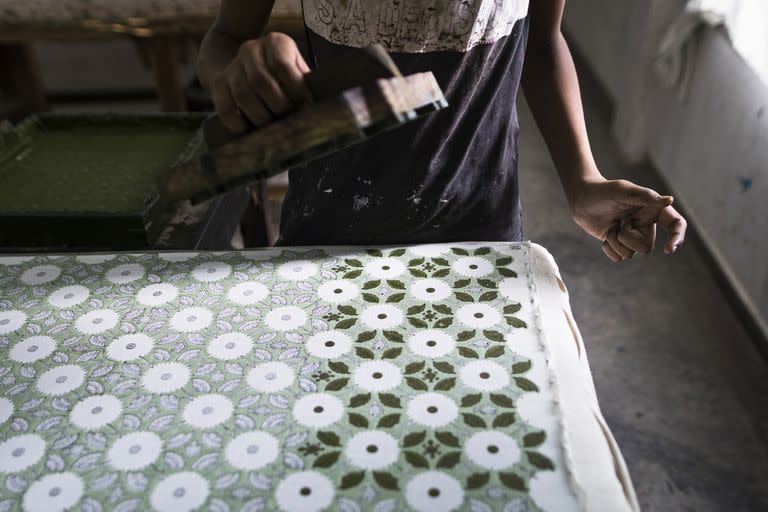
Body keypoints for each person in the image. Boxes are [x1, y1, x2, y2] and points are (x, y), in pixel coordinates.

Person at [197, 0, 687, 261]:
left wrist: (583, 180)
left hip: (479, 230)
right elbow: (224, 40)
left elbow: (541, 42)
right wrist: (242, 70)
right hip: (323, 231)